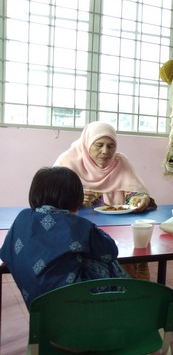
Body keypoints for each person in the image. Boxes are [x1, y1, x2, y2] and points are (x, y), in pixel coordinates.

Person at [0, 167, 128, 308]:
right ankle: (123, 305)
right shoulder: (79, 226)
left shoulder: (22, 218)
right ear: (76, 197)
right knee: (105, 261)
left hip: (40, 309)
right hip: (77, 306)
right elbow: (110, 252)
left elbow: (5, 253)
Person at [54, 121, 155, 279]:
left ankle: (128, 291)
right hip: (77, 232)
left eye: (111, 146)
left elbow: (134, 194)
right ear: (87, 143)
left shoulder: (120, 163)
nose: (105, 151)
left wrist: (140, 200)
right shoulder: (67, 162)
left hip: (118, 230)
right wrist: (75, 198)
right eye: (99, 145)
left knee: (128, 259)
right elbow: (52, 202)